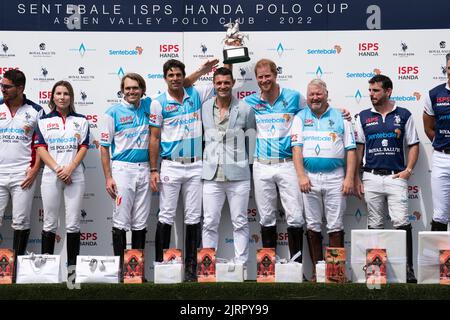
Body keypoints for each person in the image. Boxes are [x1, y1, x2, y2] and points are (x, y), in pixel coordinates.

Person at [150, 59, 217, 282]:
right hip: (170, 164)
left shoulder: (196, 94)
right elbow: (154, 138)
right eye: (171, 75)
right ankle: (162, 266)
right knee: (166, 215)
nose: (175, 79)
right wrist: (153, 169)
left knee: (193, 217)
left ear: (183, 76)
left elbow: (223, 81)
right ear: (165, 78)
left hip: (196, 164)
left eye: (178, 75)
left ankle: (191, 269)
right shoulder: (158, 103)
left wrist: (204, 70)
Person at [354, 74, 420, 283]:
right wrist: (357, 177)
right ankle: (375, 270)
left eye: (376, 90)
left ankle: (407, 269)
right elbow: (359, 148)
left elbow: (414, 144)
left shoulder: (404, 114)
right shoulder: (363, 116)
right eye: (370, 90)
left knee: (401, 223)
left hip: (395, 177)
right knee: (375, 224)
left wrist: (408, 170)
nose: (371, 94)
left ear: (388, 91)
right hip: (371, 177)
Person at [242, 58, 306, 264]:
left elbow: (314, 112)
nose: (264, 80)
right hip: (261, 165)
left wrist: (339, 113)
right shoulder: (250, 102)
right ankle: (268, 270)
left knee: (295, 216)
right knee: (266, 218)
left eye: (267, 76)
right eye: (260, 77)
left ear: (275, 74)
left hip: (288, 164)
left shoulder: (294, 97)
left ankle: (296, 267)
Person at [291, 79, 356, 281]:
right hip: (308, 178)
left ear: (326, 93)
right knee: (312, 225)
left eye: (318, 94)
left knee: (335, 225)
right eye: (311, 94)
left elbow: (351, 150)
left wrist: (349, 178)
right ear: (307, 96)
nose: (315, 98)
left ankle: (335, 273)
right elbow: (296, 149)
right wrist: (301, 175)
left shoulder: (341, 117)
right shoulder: (300, 117)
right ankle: (318, 272)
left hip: (336, 177)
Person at [201, 67, 255, 267]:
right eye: (219, 83)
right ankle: (208, 265)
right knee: (209, 223)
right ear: (214, 84)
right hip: (211, 174)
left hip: (238, 176)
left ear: (232, 83)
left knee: (240, 222)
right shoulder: (205, 107)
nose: (222, 86)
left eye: (226, 82)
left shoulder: (245, 109)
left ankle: (240, 264)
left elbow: (251, 140)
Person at [100, 73, 152, 278]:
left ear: (142, 90)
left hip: (145, 168)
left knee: (140, 222)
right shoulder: (111, 113)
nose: (131, 91)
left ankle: (136, 273)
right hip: (123, 170)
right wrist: (108, 177)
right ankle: (121, 273)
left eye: (135, 88)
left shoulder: (150, 106)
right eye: (128, 88)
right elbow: (104, 148)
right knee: (121, 220)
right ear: (122, 90)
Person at [35, 80, 89, 274]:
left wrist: (71, 168)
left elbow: (83, 147)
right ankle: (46, 273)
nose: (62, 97)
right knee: (49, 222)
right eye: (58, 93)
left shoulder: (82, 120)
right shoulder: (43, 121)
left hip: (75, 176)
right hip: (51, 175)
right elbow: (41, 148)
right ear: (52, 97)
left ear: (71, 97)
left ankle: (72, 275)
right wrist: (59, 169)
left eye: (66, 93)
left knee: (73, 223)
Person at [0, 70, 43, 280]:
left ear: (20, 88)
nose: (3, 89)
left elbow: (42, 145)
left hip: (23, 175)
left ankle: (15, 270)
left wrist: (35, 169)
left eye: (7, 87)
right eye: (2, 85)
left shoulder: (36, 111)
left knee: (21, 221)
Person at [423, 53, 450, 231]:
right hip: (442, 159)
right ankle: (438, 260)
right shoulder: (434, 94)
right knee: (440, 214)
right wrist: (442, 143)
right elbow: (429, 128)